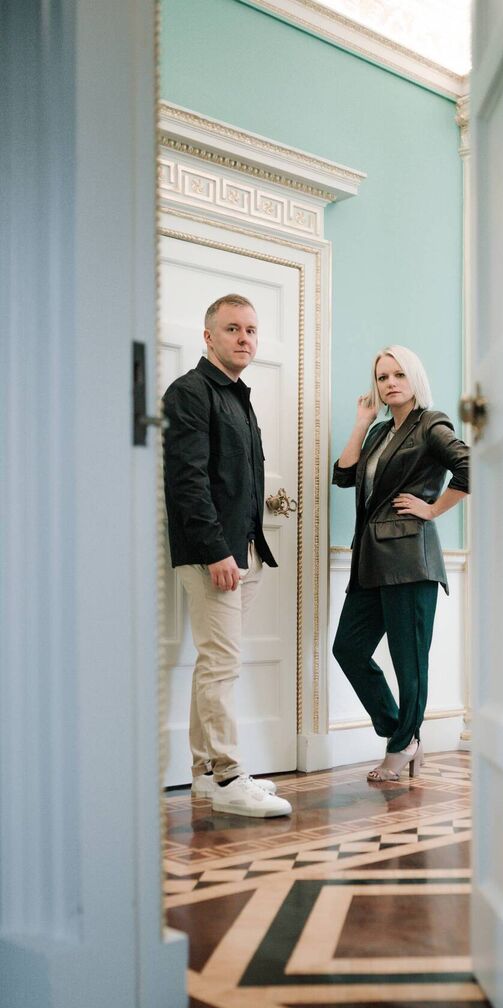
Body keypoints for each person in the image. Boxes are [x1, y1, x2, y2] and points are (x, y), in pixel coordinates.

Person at [162, 294, 291, 819]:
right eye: (233, 329)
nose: (245, 338)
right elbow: (187, 479)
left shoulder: (238, 396)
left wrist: (245, 549)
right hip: (214, 554)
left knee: (218, 665)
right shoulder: (189, 392)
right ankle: (228, 773)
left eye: (252, 330)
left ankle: (206, 775)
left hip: (246, 551)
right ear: (208, 335)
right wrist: (217, 550)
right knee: (221, 665)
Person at [332, 345, 469, 782]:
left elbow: (470, 466)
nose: (390, 383)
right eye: (382, 376)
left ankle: (402, 742)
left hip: (410, 558)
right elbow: (344, 474)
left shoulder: (432, 423)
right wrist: (360, 424)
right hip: (370, 559)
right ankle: (402, 734)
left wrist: (433, 509)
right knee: (348, 649)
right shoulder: (376, 434)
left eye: (398, 375)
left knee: (408, 660)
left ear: (414, 379)